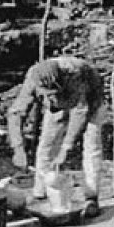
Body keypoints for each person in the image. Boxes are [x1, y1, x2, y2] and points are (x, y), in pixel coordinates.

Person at [7, 57, 104, 218]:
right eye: (47, 94)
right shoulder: (33, 77)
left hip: (90, 100)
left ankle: (91, 197)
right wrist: (18, 148)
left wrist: (65, 149)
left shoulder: (76, 73)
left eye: (53, 93)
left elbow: (80, 111)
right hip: (60, 104)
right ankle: (41, 195)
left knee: (92, 144)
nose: (50, 97)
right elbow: (16, 113)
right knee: (46, 146)